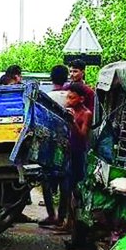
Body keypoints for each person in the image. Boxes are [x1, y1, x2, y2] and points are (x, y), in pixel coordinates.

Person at [57, 82, 93, 233]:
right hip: (67, 152)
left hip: (78, 154)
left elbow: (83, 135)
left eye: (72, 98)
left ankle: (73, 224)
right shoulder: (69, 111)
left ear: (81, 99)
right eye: (68, 97)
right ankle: (66, 222)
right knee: (66, 189)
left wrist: (72, 121)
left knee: (76, 190)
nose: (68, 101)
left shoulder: (86, 114)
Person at [38, 64, 71, 227]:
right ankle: (62, 216)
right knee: (65, 178)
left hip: (50, 143)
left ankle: (51, 214)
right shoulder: (71, 97)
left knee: (46, 178)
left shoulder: (46, 97)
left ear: (51, 78)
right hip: (68, 143)